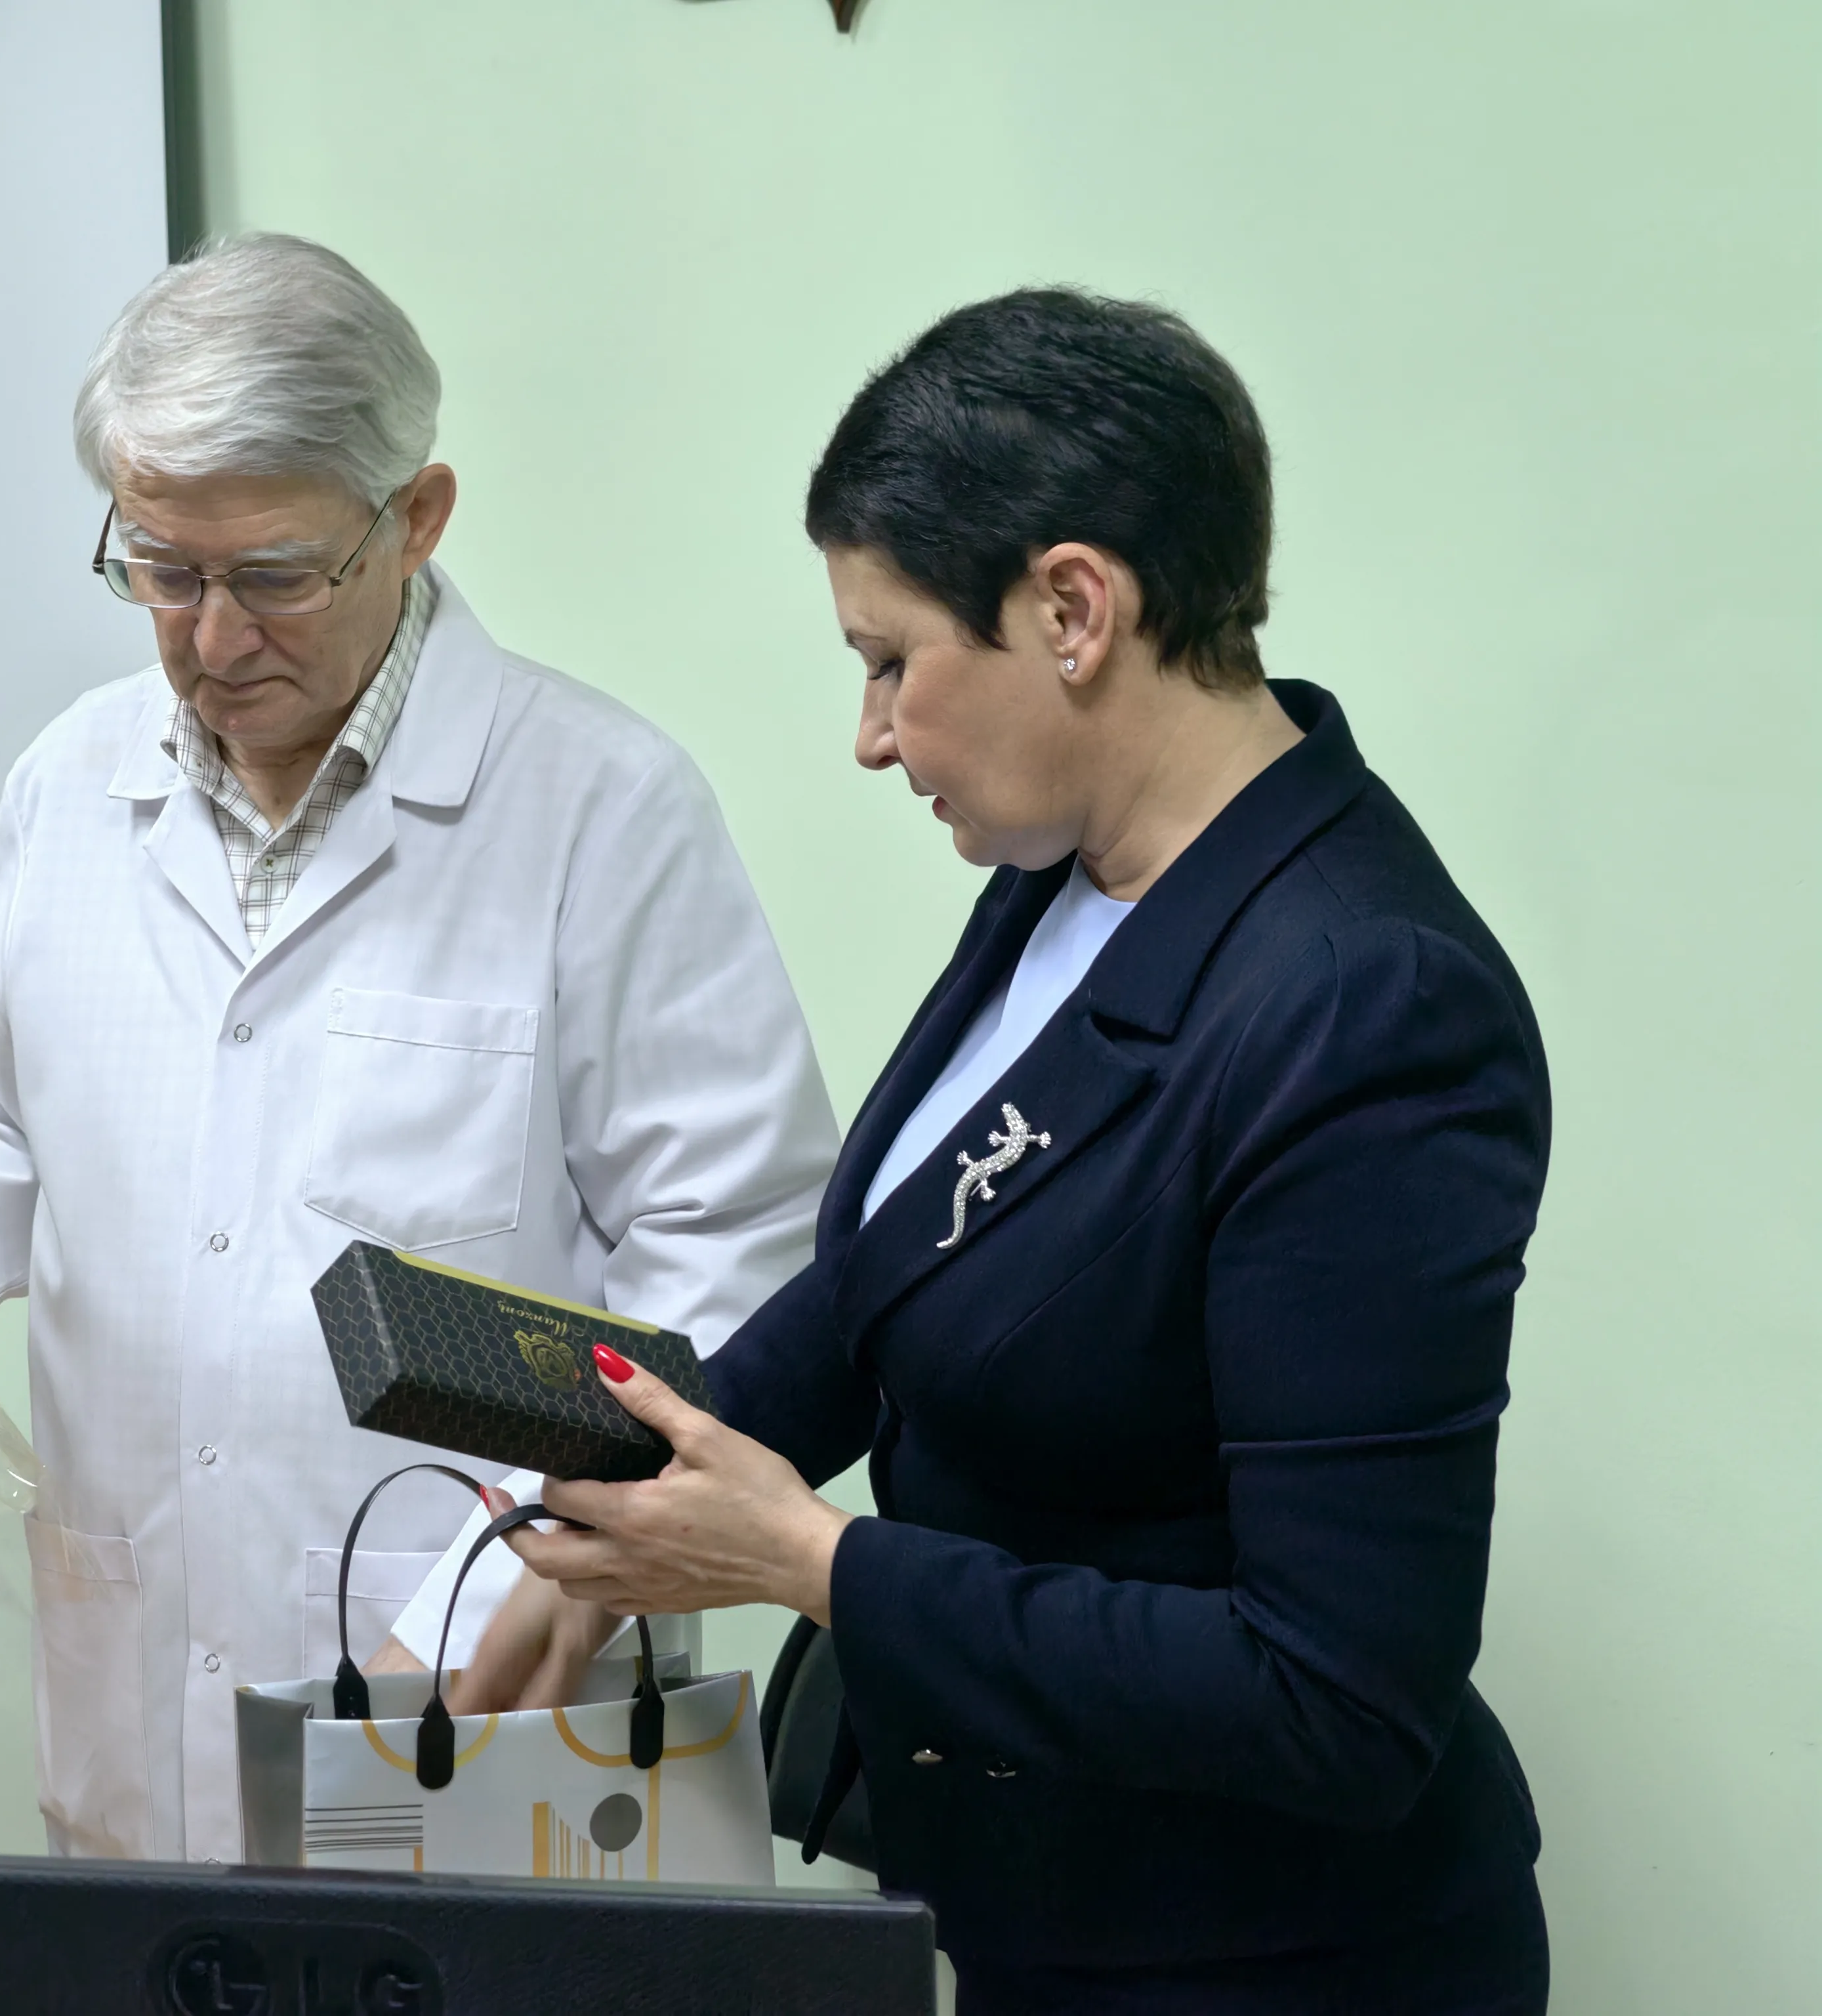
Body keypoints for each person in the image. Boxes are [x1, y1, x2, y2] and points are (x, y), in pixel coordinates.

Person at [0, 234, 838, 1863]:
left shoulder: (600, 810)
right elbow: (14, 1133)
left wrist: (533, 1565)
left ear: (415, 517)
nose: (212, 638)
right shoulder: (70, 784)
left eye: (274, 577)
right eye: (162, 571)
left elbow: (735, 1254)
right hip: (138, 1687)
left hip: (491, 1682)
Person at [464, 290, 1552, 2013]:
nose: (870, 733)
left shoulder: (1369, 1006)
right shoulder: (1072, 875)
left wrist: (809, 1564)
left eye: (890, 661)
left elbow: (1336, 1700)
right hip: (1026, 1907)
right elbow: (896, 1279)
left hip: (1264, 1961)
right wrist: (620, 1493)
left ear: (1071, 610)